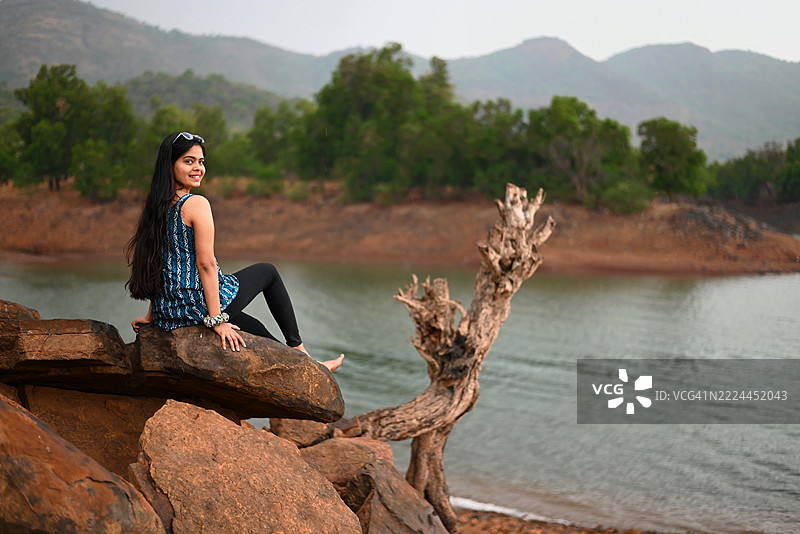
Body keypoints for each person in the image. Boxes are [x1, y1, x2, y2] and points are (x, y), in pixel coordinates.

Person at [126, 131, 343, 372]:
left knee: (253, 328)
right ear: (170, 165)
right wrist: (216, 321)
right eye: (189, 161)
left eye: (201, 162)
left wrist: (153, 315)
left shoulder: (156, 207)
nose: (198, 168)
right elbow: (206, 264)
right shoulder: (196, 204)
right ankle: (300, 350)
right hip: (196, 304)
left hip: (170, 310)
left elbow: (161, 264)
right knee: (267, 272)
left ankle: (306, 366)